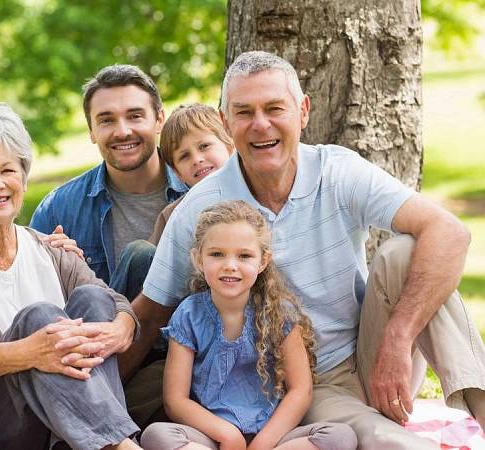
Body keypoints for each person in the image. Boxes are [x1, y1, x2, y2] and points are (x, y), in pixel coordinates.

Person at [125, 51, 485, 449]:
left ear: (303, 110)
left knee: (407, 251)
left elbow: (451, 233)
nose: (261, 124)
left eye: (274, 108)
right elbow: (151, 310)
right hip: (303, 387)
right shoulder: (203, 207)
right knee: (385, 443)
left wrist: (397, 340)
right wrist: (96, 407)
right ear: (226, 122)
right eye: (244, 112)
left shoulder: (338, 171)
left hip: (372, 353)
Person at [0, 102, 141, 450]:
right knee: (40, 318)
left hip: (66, 429)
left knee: (94, 300)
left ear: (23, 176)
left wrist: (120, 330)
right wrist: (31, 352)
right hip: (4, 423)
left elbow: (116, 304)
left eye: (7, 170)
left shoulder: (50, 248)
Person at [141, 201, 356, 450]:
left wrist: (261, 445)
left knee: (339, 437)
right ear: (198, 259)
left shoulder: (280, 314)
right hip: (212, 438)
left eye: (244, 255)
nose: (230, 265)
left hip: (272, 436)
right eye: (217, 254)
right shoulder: (189, 315)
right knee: (156, 436)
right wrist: (228, 436)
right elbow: (175, 401)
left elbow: (300, 392)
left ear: (263, 261)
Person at [30, 64, 188, 302]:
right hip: (104, 334)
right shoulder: (58, 210)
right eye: (107, 120)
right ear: (91, 131)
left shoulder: (198, 191)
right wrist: (59, 269)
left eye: (135, 116)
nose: (122, 132)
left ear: (159, 120)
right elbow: (34, 296)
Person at [149, 103, 233, 245]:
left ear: (229, 145)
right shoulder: (173, 215)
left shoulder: (258, 194)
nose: (197, 159)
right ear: (177, 173)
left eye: (204, 146)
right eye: (184, 156)